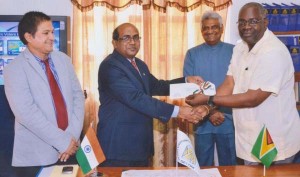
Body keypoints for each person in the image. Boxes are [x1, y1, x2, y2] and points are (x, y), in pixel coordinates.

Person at [186, 2, 300, 166]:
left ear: (265, 22)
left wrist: (208, 100)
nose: (247, 26)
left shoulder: (273, 52)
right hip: (249, 140)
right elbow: (229, 83)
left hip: (272, 142)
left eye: (253, 21)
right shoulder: (240, 48)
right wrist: (207, 108)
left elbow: (253, 98)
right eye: (242, 22)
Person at [97, 23, 204, 167]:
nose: (133, 42)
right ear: (115, 42)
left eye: (136, 37)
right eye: (126, 38)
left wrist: (186, 81)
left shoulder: (139, 64)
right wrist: (178, 111)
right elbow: (136, 98)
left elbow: (157, 86)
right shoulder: (110, 66)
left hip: (139, 145)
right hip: (118, 146)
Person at [3, 11, 84, 176]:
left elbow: (78, 98)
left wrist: (71, 138)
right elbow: (26, 114)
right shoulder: (14, 69)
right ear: (29, 37)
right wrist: (63, 141)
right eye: (46, 33)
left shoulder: (64, 60)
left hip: (71, 150)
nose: (52, 37)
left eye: (53, 32)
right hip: (36, 157)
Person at [183, 11, 236, 166]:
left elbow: (237, 86)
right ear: (201, 31)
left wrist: (213, 109)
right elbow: (189, 92)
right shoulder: (192, 54)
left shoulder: (235, 51)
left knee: (230, 167)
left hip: (227, 118)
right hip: (202, 119)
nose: (210, 31)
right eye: (206, 28)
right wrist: (211, 111)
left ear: (221, 28)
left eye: (214, 27)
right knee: (203, 167)